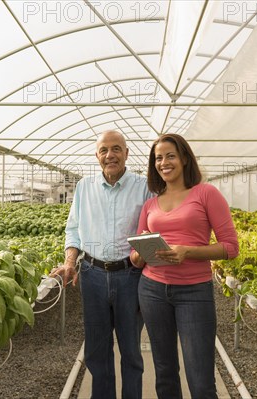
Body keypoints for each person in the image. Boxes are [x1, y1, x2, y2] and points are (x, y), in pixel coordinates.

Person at [129, 133, 239, 399]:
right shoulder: (150, 203)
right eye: (158, 158)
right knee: (165, 372)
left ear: (185, 159)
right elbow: (135, 254)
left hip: (193, 292)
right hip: (152, 290)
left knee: (200, 378)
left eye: (170, 156)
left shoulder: (205, 193)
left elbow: (230, 248)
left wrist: (188, 252)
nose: (164, 162)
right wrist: (139, 253)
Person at [51, 130, 152, 399]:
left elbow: (153, 229)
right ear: (97, 156)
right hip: (92, 275)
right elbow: (73, 229)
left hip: (130, 276)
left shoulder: (143, 186)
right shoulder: (84, 187)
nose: (110, 155)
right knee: (97, 351)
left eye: (116, 149)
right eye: (104, 150)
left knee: (131, 351)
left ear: (127, 153)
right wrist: (70, 262)